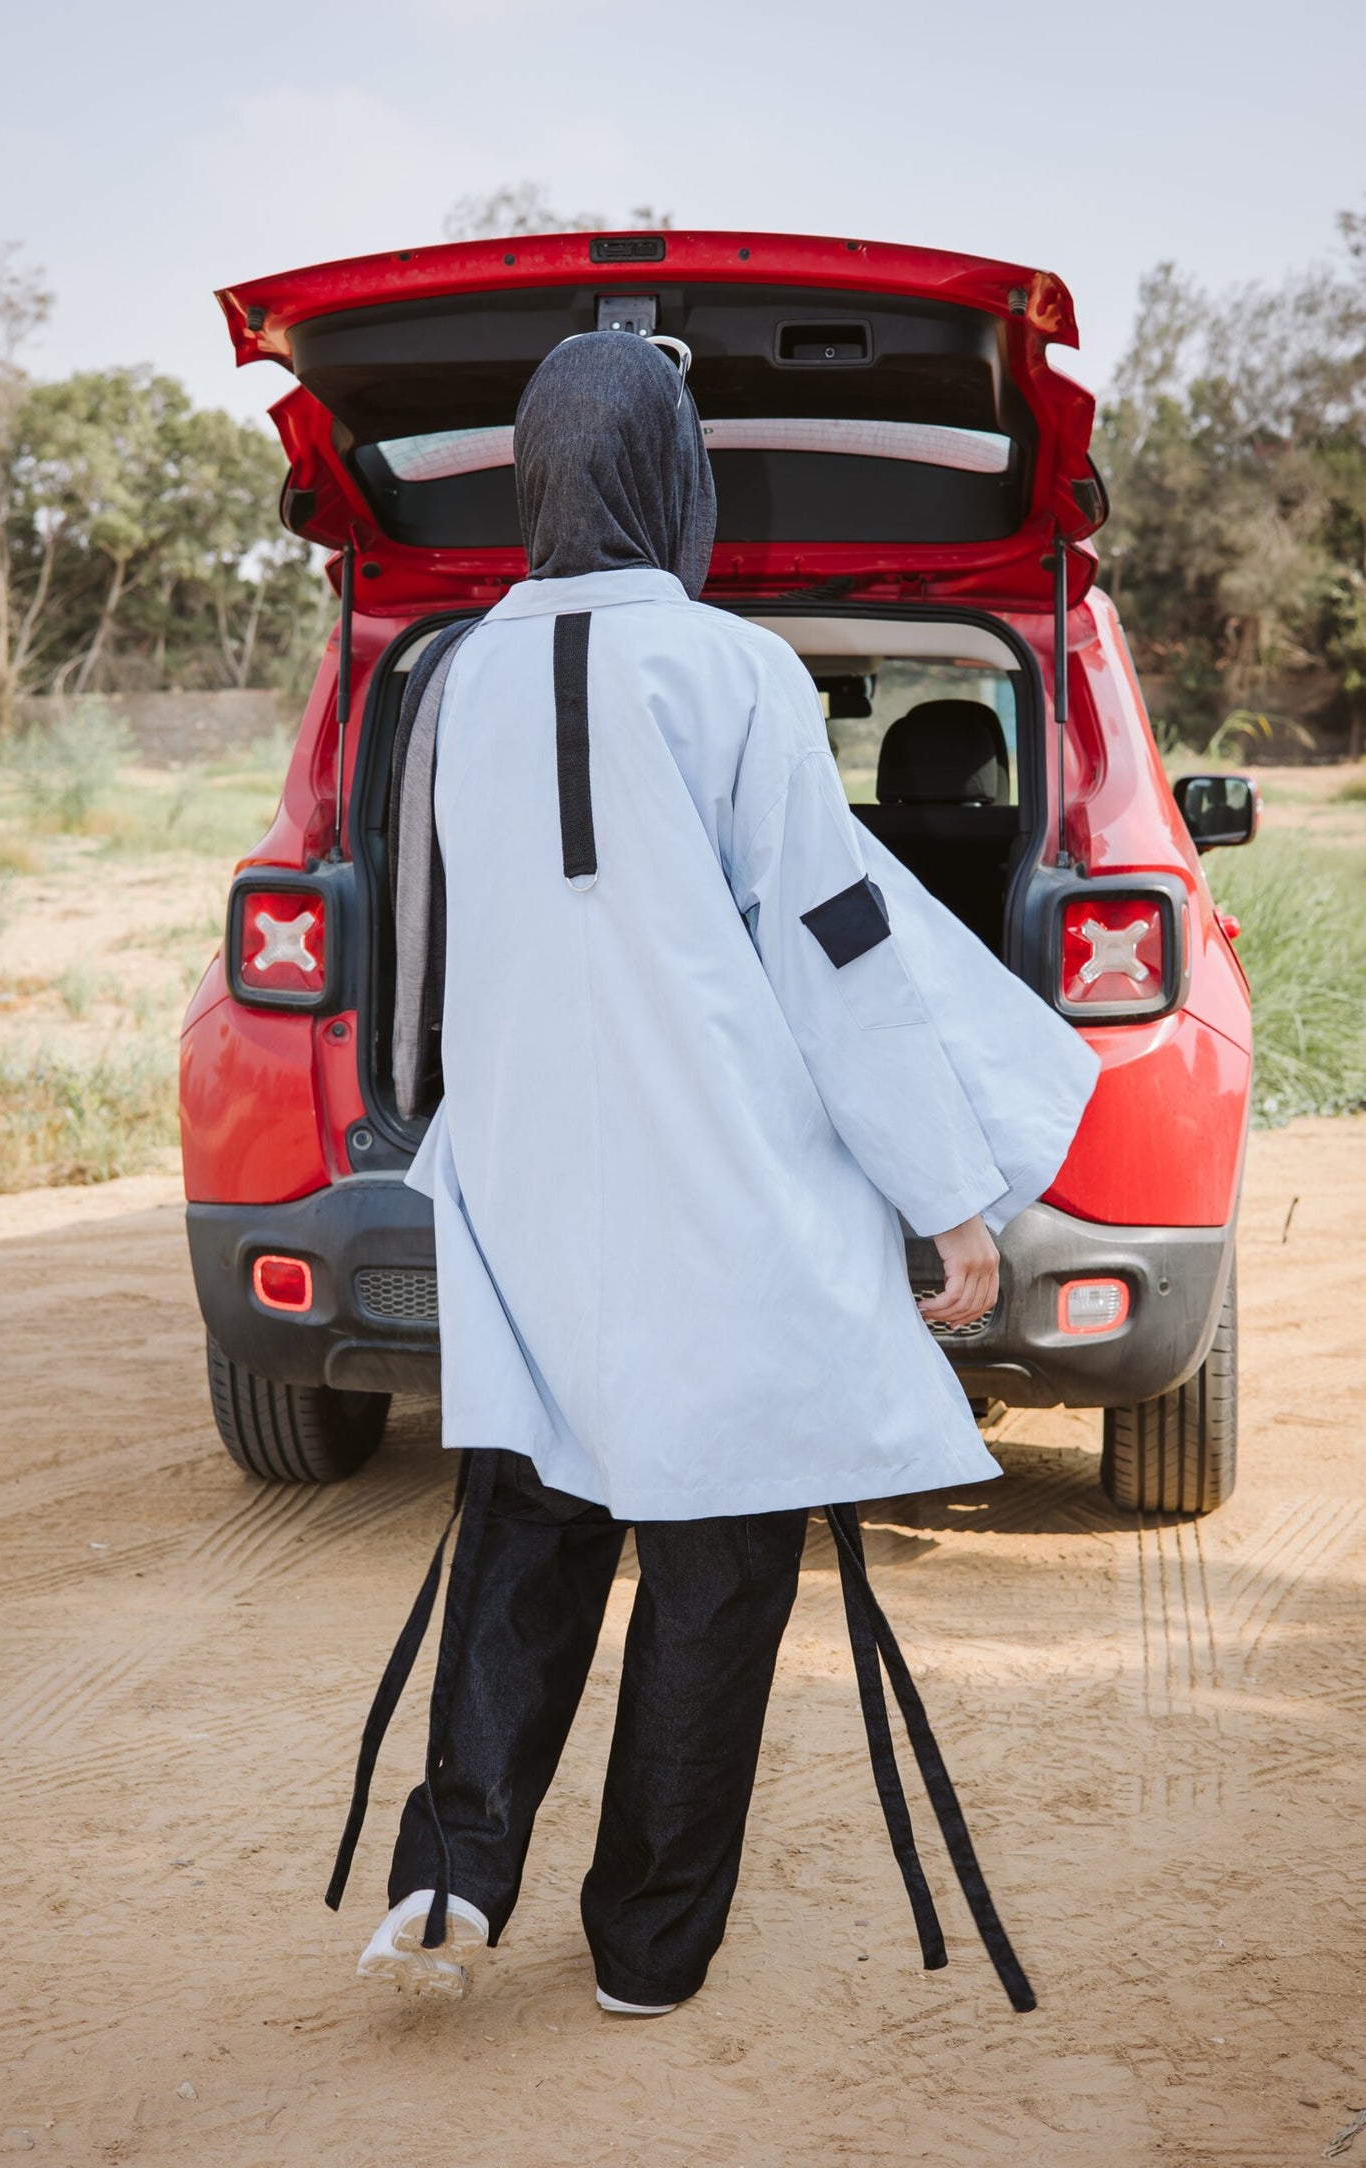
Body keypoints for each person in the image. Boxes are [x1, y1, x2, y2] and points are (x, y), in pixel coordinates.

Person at [332, 331, 1098, 2016]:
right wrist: (943, 1188)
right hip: (718, 1194)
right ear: (670, 475)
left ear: (537, 477)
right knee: (712, 1559)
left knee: (529, 1517)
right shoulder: (729, 670)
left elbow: (429, 946)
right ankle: (645, 1953)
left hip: (530, 1185)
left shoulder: (452, 676)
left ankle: (453, 1871)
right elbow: (837, 944)